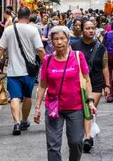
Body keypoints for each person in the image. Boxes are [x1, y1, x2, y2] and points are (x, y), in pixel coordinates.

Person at [34, 26, 97, 159]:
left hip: (76, 107)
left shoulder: (78, 56)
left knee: (76, 142)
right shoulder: (47, 60)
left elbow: (87, 80)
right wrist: (37, 107)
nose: (59, 42)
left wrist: (90, 101)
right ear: (51, 41)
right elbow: (42, 85)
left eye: (62, 38)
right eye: (55, 39)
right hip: (53, 106)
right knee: (53, 145)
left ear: (68, 39)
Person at [0, 7, 46, 135]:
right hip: (29, 71)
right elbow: (40, 50)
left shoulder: (9, 30)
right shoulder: (33, 30)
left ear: (17, 15)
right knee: (27, 96)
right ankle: (24, 120)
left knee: (15, 97)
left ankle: (16, 123)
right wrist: (47, 63)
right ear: (29, 17)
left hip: (13, 71)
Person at [71, 20, 110, 107]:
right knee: (79, 113)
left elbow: (105, 67)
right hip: (78, 84)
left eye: (93, 28)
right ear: (82, 31)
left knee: (88, 113)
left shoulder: (101, 48)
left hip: (96, 83)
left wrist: (107, 85)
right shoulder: (74, 46)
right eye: (87, 28)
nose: (91, 31)